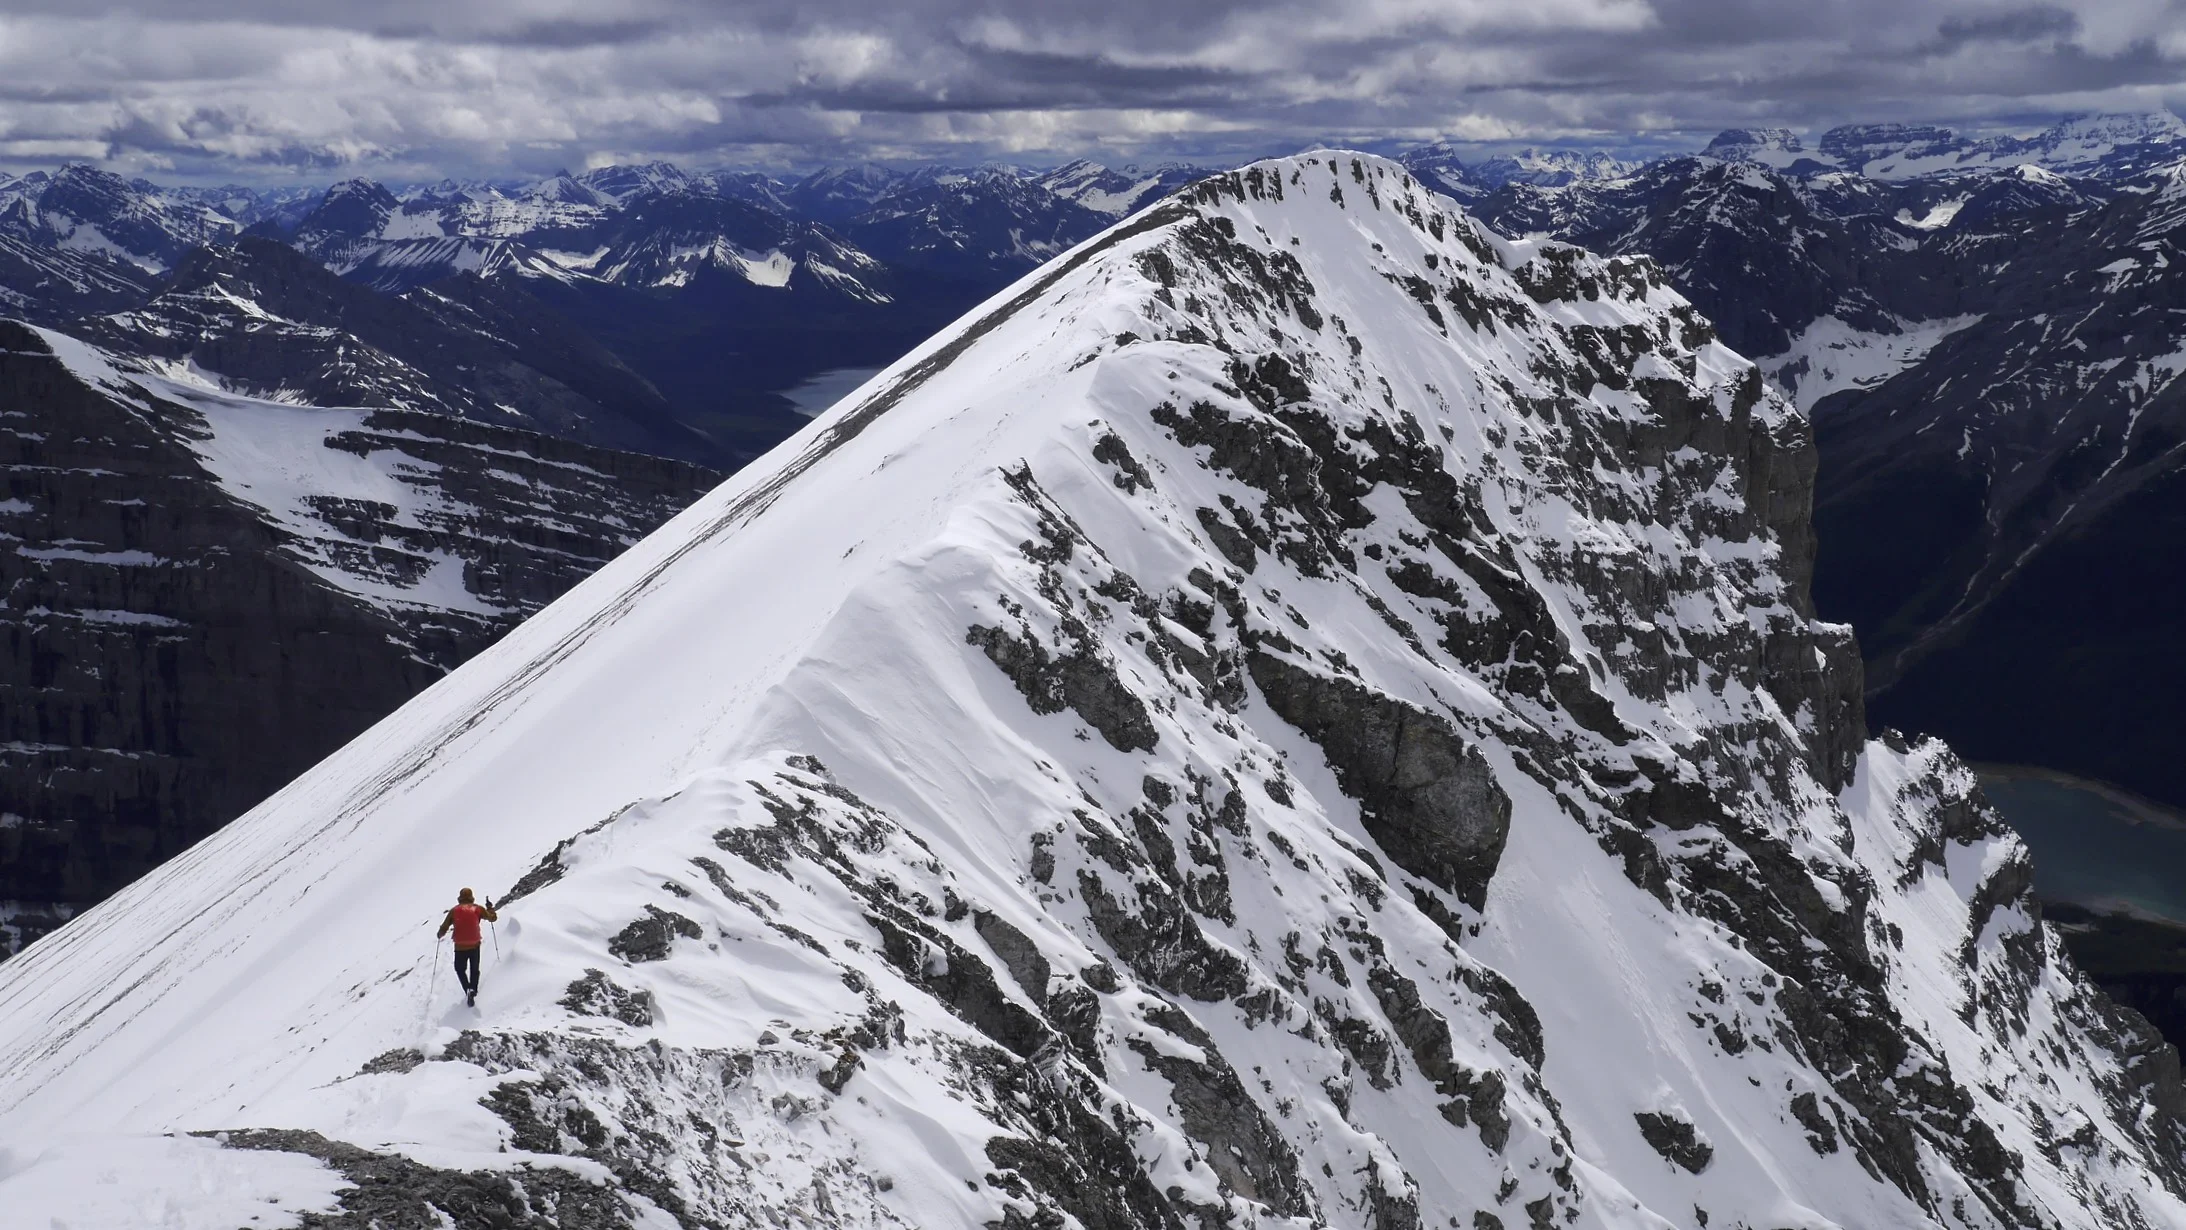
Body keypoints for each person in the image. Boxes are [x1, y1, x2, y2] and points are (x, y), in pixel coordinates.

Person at [436, 888, 499, 1006]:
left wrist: (440, 934)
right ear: (471, 896)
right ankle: (473, 990)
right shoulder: (478, 909)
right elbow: (492, 918)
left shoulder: (454, 911)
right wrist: (490, 908)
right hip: (475, 944)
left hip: (460, 946)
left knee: (460, 969)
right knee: (474, 969)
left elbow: (444, 927)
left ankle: (467, 989)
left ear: (460, 897)